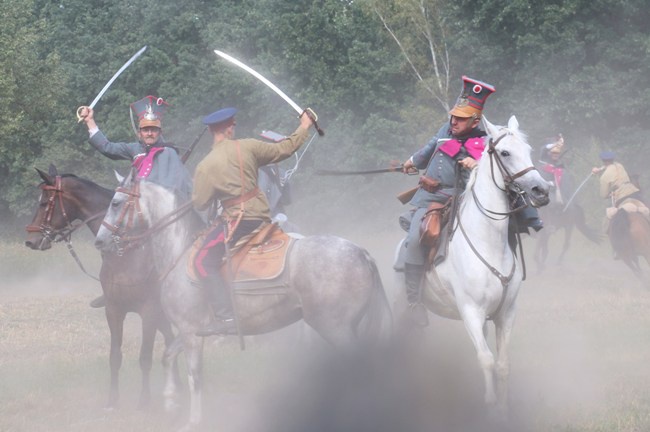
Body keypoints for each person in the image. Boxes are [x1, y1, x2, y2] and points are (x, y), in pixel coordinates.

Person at [400, 76, 543, 327]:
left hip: (464, 196)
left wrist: (476, 164)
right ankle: (414, 302)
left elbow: (497, 169)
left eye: (461, 118)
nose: (453, 121)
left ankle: (506, 284)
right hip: (433, 197)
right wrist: (411, 162)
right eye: (453, 116)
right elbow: (428, 149)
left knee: (504, 227)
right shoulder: (445, 131)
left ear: (476, 121)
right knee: (414, 239)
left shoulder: (487, 141)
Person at [191, 107, 314, 336]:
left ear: (210, 130)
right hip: (261, 216)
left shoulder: (205, 165)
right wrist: (304, 125)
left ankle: (226, 316)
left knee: (201, 261)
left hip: (238, 221)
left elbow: (199, 203)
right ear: (230, 128)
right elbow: (285, 148)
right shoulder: (248, 146)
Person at [79, 95, 193, 307]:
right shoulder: (134, 149)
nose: (150, 133)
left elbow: (177, 186)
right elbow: (107, 147)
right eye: (146, 130)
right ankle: (112, 287)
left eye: (154, 130)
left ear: (160, 131)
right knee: (111, 236)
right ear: (139, 132)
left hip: (160, 215)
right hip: (136, 210)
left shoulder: (168, 153)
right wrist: (90, 121)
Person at [538, 134, 574, 206]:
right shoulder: (542, 167)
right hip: (546, 195)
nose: (556, 154)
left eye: (557, 153)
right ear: (548, 153)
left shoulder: (561, 167)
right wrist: (550, 184)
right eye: (553, 152)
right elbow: (543, 149)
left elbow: (566, 185)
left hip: (562, 195)